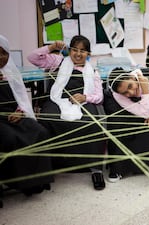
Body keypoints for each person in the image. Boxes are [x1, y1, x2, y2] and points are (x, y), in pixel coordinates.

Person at [27, 35, 106, 190]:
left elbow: (100, 97)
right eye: (74, 49)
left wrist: (85, 97)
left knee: (92, 123)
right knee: (47, 120)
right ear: (69, 50)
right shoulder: (57, 61)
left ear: (88, 54)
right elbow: (32, 58)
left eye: (83, 51)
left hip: (83, 100)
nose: (78, 54)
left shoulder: (93, 71)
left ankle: (95, 169)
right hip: (57, 99)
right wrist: (51, 47)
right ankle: (47, 168)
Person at [0, 34, 53, 196]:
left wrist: (21, 112)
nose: (1, 57)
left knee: (40, 131)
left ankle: (36, 183)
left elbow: (22, 97)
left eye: (4, 53)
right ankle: (19, 182)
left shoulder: (10, 71)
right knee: (10, 138)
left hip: (15, 115)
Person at [103, 67, 149, 182]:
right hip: (124, 108)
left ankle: (148, 164)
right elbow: (145, 113)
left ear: (132, 77)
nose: (130, 92)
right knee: (118, 125)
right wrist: (146, 91)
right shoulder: (117, 95)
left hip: (148, 105)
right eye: (125, 92)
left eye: (130, 86)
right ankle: (118, 169)